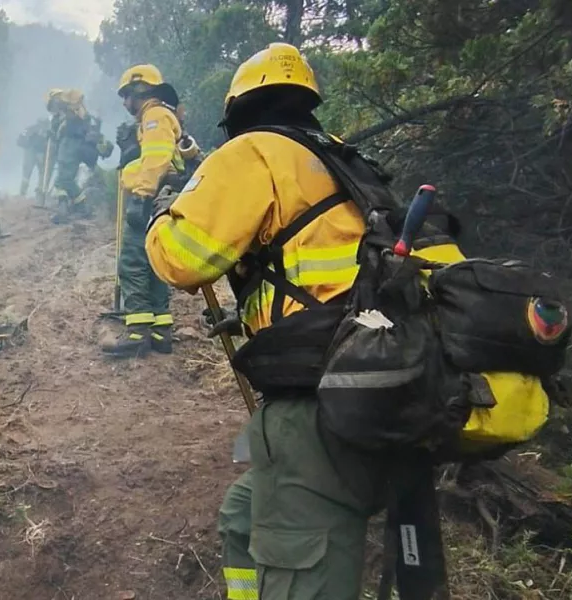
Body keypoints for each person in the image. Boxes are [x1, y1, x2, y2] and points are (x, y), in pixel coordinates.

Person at [144, 44, 386, 598]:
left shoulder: (257, 152)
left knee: (301, 563)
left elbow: (182, 261)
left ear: (239, 110)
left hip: (317, 397)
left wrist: (161, 214)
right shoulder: (340, 159)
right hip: (373, 375)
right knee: (241, 515)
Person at [102, 64, 184, 358]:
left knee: (133, 263)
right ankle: (161, 332)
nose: (125, 103)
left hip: (149, 199)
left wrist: (140, 196)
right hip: (161, 198)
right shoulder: (160, 116)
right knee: (153, 264)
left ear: (140, 91)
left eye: (127, 96)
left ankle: (137, 333)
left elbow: (158, 158)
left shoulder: (154, 116)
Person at [46, 88, 92, 223]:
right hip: (67, 149)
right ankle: (75, 207)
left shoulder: (75, 116)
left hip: (70, 150)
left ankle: (71, 209)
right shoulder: (74, 115)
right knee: (64, 180)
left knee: (62, 181)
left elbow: (67, 131)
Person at [17, 116, 49, 197]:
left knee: (29, 173)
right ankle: (39, 193)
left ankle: (23, 193)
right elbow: (21, 140)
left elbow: (20, 140)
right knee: (41, 172)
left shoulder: (30, 128)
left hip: (32, 152)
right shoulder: (47, 131)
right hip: (35, 152)